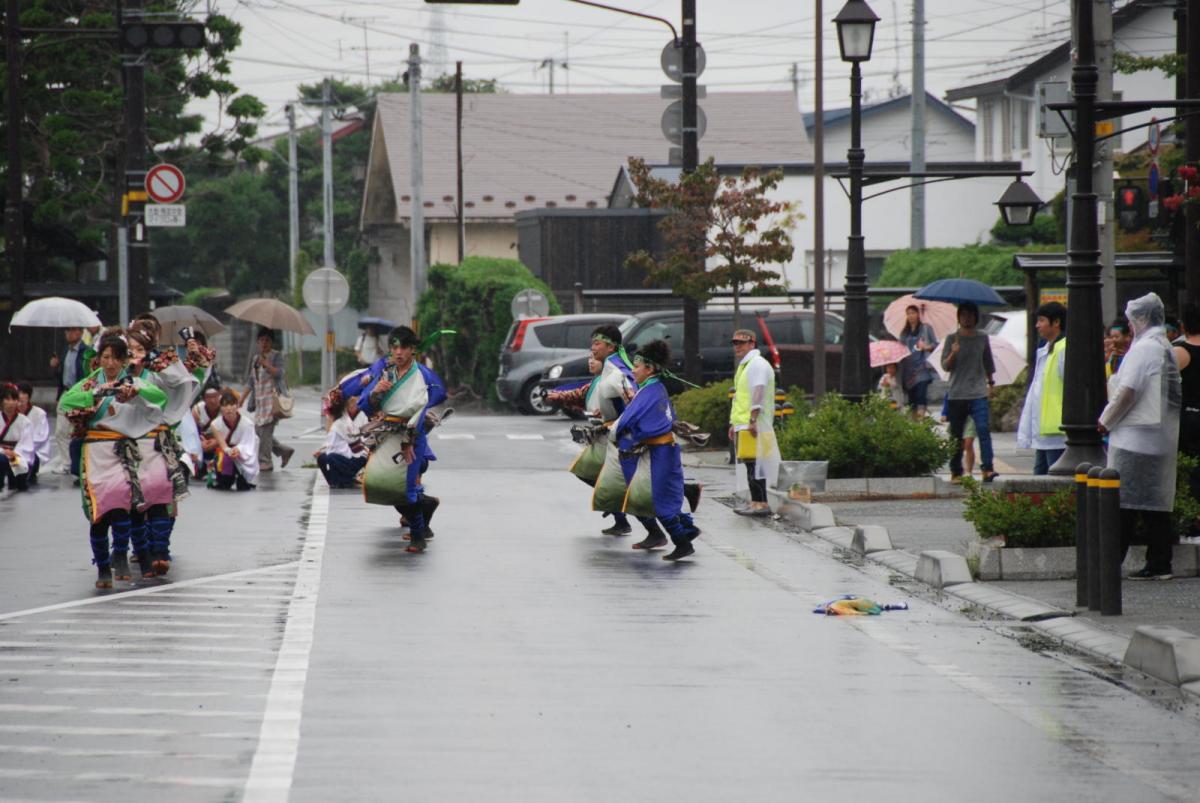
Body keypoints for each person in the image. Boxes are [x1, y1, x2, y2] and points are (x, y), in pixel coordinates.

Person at [59, 334, 171, 586]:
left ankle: (121, 553)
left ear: (123, 361)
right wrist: (97, 393)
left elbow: (159, 397)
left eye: (115, 358)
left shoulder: (132, 382)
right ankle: (102, 568)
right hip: (95, 452)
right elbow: (66, 401)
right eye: (106, 357)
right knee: (100, 512)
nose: (110, 363)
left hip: (122, 451)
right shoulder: (90, 383)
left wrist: (135, 392)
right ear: (99, 359)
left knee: (122, 501)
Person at [1098, 293, 1181, 581]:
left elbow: (1128, 391)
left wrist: (1106, 420)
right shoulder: (1163, 346)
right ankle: (1160, 562)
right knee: (1154, 507)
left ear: (1142, 318)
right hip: (1159, 437)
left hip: (1134, 438)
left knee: (1123, 504)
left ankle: (1109, 563)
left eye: (1133, 319)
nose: (1131, 325)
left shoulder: (1144, 348)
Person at [602, 339, 702, 561]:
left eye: (637, 367)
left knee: (658, 499)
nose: (633, 370)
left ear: (649, 369)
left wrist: (614, 433)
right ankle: (687, 529)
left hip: (661, 452)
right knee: (657, 495)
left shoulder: (650, 391)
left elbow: (627, 420)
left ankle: (682, 543)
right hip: (661, 450)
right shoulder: (652, 388)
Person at [358, 326, 437, 554]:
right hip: (386, 434)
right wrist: (375, 393)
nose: (399, 352)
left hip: (411, 437)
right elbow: (366, 404)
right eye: (395, 347)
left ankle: (418, 535)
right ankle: (425, 506)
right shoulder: (386, 373)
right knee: (381, 484)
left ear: (413, 350)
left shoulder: (420, 375)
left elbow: (420, 410)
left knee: (405, 488)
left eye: (404, 347)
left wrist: (409, 441)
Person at [941, 301, 997, 483]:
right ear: (959, 317)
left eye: (971, 314)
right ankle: (956, 472)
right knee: (956, 434)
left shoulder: (982, 338)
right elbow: (945, 366)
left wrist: (990, 383)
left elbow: (988, 362)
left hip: (978, 392)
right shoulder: (952, 338)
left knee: (983, 429)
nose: (967, 318)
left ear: (976, 317)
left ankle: (988, 468)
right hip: (957, 393)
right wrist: (953, 353)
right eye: (963, 315)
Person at [728, 328, 778, 516]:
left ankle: (761, 504)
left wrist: (752, 419)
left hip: (754, 424)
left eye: (741, 343)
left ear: (752, 343)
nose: (737, 347)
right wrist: (734, 423)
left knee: (755, 464)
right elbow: (741, 397)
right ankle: (756, 501)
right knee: (751, 464)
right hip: (745, 423)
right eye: (735, 343)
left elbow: (758, 392)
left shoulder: (757, 364)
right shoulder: (747, 365)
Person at [1017, 302, 1067, 475]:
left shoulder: (1063, 349)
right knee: (1040, 478)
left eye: (1041, 320)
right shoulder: (1046, 349)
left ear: (1056, 322)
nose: (1037, 325)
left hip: (1057, 431)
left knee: (1054, 480)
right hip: (1045, 431)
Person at [242, 328, 294, 473]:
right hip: (260, 402)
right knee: (258, 432)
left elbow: (280, 374)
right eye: (262, 340)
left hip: (272, 402)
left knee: (265, 432)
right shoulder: (255, 359)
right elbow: (251, 381)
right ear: (257, 342)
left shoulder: (276, 356)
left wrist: (266, 364)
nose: (264, 343)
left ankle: (265, 462)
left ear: (272, 342)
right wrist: (241, 399)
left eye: (268, 340)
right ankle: (283, 451)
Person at [50, 327, 94, 475]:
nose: (69, 333)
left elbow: (89, 374)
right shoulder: (64, 351)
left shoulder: (86, 352)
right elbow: (62, 375)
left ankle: (78, 463)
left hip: (80, 394)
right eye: (67, 330)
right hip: (66, 392)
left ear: (80, 332)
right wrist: (55, 366)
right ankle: (66, 463)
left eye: (73, 330)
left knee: (77, 431)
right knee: (60, 431)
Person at [208, 389, 260, 491]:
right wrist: (230, 451)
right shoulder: (215, 424)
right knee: (224, 484)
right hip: (226, 453)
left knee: (243, 486)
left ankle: (244, 477)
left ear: (237, 406)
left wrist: (238, 450)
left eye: (232, 404)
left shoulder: (248, 424)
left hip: (243, 454)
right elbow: (223, 445)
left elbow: (249, 445)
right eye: (225, 405)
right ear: (221, 408)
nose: (229, 408)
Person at [316, 393, 368, 489]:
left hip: (356, 456)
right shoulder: (339, 421)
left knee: (331, 457)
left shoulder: (341, 422)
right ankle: (336, 481)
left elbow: (354, 445)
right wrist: (323, 450)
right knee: (321, 458)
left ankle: (345, 479)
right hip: (347, 454)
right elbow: (331, 442)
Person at [898, 305, 939, 418]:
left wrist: (926, 347)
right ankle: (914, 422)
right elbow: (900, 348)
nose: (911, 316)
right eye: (908, 313)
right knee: (912, 400)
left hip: (922, 368)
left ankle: (920, 421)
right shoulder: (904, 333)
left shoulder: (926, 328)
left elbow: (936, 345)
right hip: (908, 370)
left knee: (921, 396)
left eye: (913, 313)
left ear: (918, 314)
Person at [0, 384, 36, 493]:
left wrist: (14, 453)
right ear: (2, 401)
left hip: (16, 455)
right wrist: (3, 451)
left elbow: (27, 444)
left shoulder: (25, 421)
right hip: (1, 454)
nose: (11, 403)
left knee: (19, 484)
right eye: (7, 399)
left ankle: (16, 480)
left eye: (14, 399)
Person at [16, 382, 50, 485]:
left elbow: (41, 437)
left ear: (29, 396)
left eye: (23, 393)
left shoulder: (39, 413)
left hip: (32, 451)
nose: (20, 396)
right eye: (18, 393)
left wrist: (23, 446)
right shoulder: (10, 413)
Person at [1104, 319, 1132, 383]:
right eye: (1111, 337)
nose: (1113, 339)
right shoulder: (1111, 353)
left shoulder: (1129, 354)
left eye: (1116, 337)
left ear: (1127, 337)